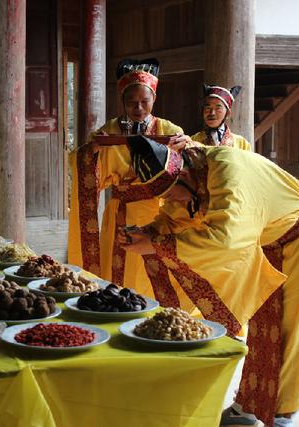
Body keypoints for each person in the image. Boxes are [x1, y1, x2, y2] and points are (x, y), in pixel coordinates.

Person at [120, 136, 299, 427]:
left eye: (173, 193)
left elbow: (225, 241)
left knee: (292, 331)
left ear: (185, 174)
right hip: (268, 244)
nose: (172, 200)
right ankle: (249, 406)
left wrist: (156, 245)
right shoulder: (193, 170)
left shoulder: (227, 172)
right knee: (263, 331)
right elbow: (175, 214)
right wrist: (150, 231)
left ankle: (282, 414)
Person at [67, 58, 197, 310]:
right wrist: (91, 151)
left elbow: (190, 162)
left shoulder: (169, 128)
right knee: (119, 276)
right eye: (131, 102)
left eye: (144, 102)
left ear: (154, 99)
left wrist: (187, 145)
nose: (138, 108)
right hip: (119, 214)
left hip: (158, 213)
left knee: (156, 275)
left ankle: (160, 316)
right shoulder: (111, 130)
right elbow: (85, 166)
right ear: (122, 102)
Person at [191, 84, 251, 151]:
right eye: (208, 108)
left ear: (227, 113)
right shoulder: (193, 140)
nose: (212, 113)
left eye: (218, 108)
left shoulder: (242, 143)